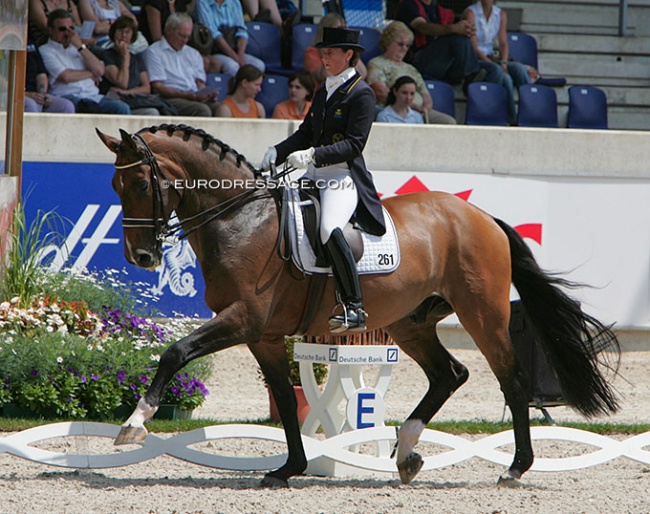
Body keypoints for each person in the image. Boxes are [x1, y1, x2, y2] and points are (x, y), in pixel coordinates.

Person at [260, 27, 385, 333]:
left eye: (330, 53)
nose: (325, 58)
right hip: (312, 172)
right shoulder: (323, 89)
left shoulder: (362, 93)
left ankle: (354, 307)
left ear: (348, 55)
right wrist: (277, 150)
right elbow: (305, 134)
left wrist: (313, 155)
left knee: (329, 228)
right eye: (323, 53)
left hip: (341, 176)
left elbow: (355, 144)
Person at [39, 9, 131, 114]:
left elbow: (100, 70)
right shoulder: (45, 50)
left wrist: (80, 46)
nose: (67, 33)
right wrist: (91, 73)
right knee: (89, 107)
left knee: (122, 108)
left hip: (93, 96)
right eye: (62, 29)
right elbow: (66, 76)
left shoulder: (79, 48)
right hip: (67, 96)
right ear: (51, 30)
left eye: (71, 28)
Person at [367, 21, 456, 125]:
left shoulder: (411, 68)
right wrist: (411, 106)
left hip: (419, 111)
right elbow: (381, 92)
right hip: (395, 109)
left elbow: (425, 94)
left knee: (449, 122)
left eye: (407, 45)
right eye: (400, 44)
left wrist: (424, 110)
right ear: (388, 42)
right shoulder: (376, 63)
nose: (404, 48)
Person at [463, 0, 530, 124]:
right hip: (476, 58)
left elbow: (503, 43)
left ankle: (530, 110)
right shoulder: (471, 12)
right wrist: (493, 64)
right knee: (505, 78)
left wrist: (504, 62)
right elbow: (474, 48)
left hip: (491, 56)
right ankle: (511, 119)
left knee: (519, 69)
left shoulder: (500, 14)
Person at [395, 0, 485, 88]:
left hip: (440, 61)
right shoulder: (409, 5)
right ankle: (469, 78)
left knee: (493, 69)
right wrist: (454, 28)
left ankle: (475, 90)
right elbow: (422, 27)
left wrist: (466, 29)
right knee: (457, 38)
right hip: (417, 60)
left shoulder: (437, 9)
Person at [144, 13, 219, 116]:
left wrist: (207, 94)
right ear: (169, 30)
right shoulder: (154, 51)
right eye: (181, 35)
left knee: (221, 108)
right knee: (202, 110)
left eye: (188, 37)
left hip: (193, 96)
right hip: (169, 98)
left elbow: (200, 84)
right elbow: (157, 87)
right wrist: (187, 95)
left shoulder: (193, 53)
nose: (185, 41)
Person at [99, 16, 164, 115]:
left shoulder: (137, 58)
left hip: (133, 101)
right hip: (115, 102)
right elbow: (122, 83)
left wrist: (127, 93)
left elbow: (146, 88)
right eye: (120, 31)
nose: (123, 35)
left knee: (153, 112)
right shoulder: (107, 55)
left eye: (127, 32)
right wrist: (125, 57)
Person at [194, 0, 265, 76]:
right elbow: (214, 34)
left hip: (235, 47)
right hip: (215, 49)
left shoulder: (234, 2)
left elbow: (242, 30)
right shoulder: (202, 2)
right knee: (232, 67)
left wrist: (241, 55)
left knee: (259, 65)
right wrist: (236, 58)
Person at [304, 13, 366, 88]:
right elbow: (326, 76)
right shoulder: (311, 52)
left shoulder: (346, 52)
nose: (342, 32)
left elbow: (362, 74)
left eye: (344, 28)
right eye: (339, 29)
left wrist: (349, 43)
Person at [24, 42, 76, 113]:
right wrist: (26, 94)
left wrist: (42, 95)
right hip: (12, 94)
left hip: (35, 94)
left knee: (66, 106)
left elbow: (41, 74)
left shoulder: (29, 41)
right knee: (30, 105)